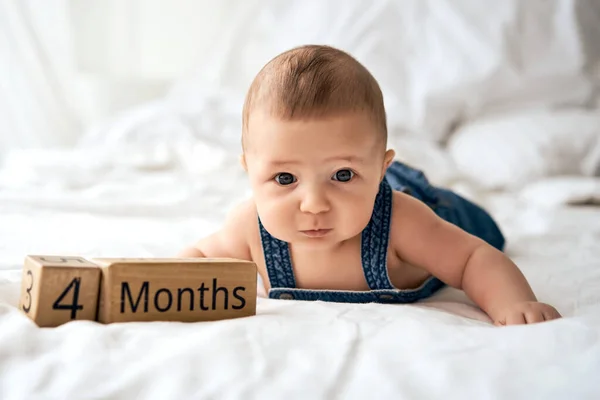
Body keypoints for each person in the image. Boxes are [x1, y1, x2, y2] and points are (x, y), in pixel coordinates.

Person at [179, 44, 561, 326]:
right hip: (368, 191)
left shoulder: (403, 223)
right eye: (284, 178)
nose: (313, 204)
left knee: (473, 227)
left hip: (435, 209)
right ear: (249, 172)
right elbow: (197, 256)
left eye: (341, 175)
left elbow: (473, 259)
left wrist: (512, 304)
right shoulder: (249, 228)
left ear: (381, 169)